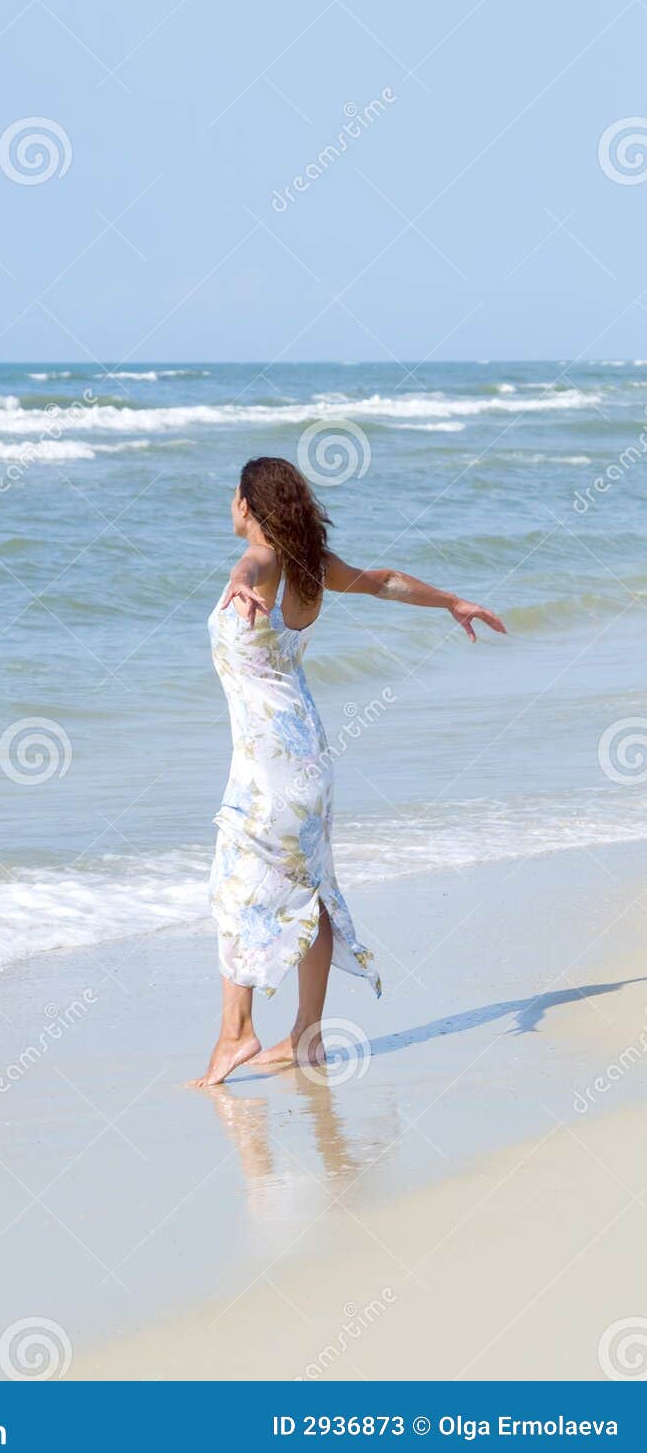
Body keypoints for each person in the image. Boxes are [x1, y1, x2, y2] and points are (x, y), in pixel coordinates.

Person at [191, 455, 506, 1088]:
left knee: (234, 885)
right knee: (313, 888)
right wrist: (451, 602)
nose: (231, 505)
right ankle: (307, 1039)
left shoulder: (264, 562)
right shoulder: (313, 567)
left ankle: (237, 1033)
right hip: (308, 753)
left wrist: (239, 576)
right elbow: (384, 580)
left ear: (249, 506)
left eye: (235, 497)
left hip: (267, 763)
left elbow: (250, 565)